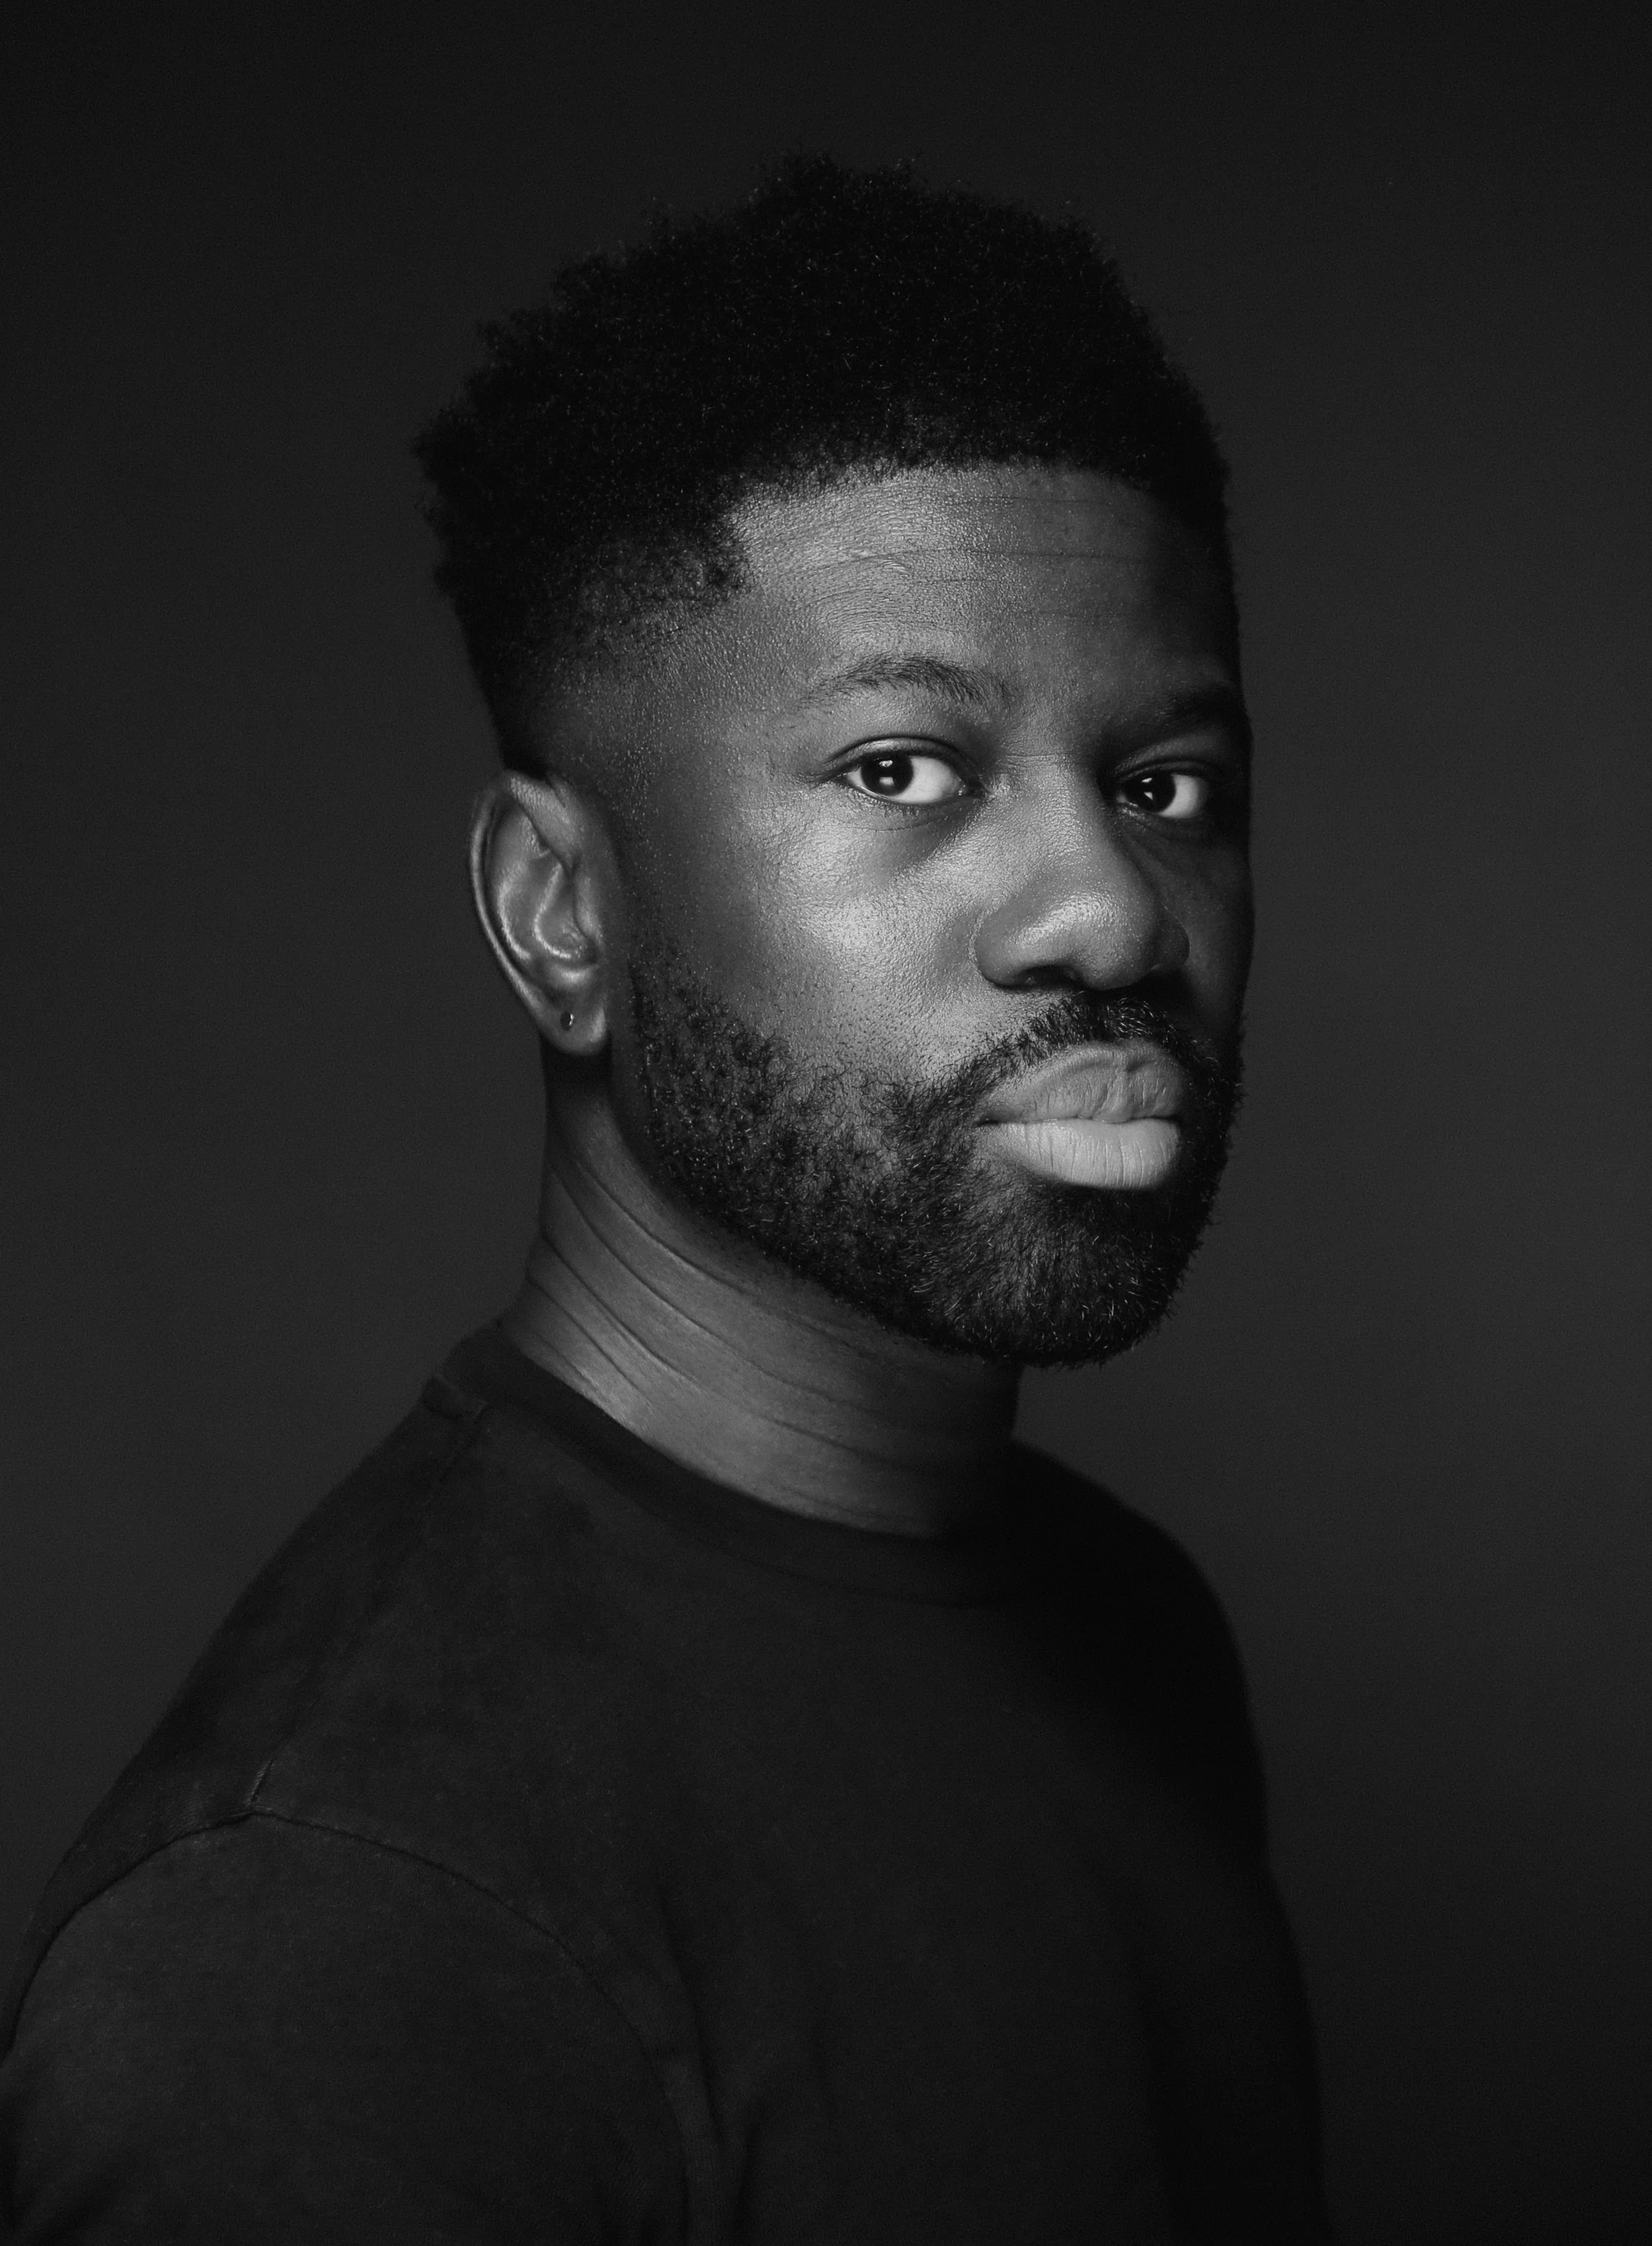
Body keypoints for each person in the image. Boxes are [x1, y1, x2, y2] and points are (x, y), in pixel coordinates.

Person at [0, 158, 1333, 2240]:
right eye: (903, 768)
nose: (1109, 906)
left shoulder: (1128, 1627)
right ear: (560, 912)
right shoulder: (327, 1942)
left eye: (1166, 782)